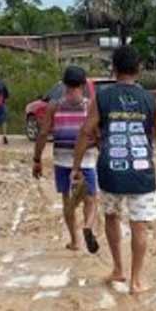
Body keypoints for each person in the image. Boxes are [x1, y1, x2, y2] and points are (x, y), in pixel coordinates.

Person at [72, 45, 156, 294]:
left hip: (110, 171)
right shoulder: (150, 100)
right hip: (142, 173)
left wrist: (76, 166)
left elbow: (86, 131)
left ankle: (118, 269)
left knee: (112, 217)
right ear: (138, 69)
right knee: (140, 225)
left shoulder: (103, 97)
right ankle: (136, 280)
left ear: (114, 69)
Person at [33, 65, 101, 254]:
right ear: (83, 84)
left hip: (62, 161)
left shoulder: (54, 105)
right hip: (86, 161)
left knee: (68, 201)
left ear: (64, 84)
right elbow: (98, 135)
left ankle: (74, 241)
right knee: (91, 199)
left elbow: (43, 133)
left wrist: (37, 159)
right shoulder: (90, 106)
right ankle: (88, 225)